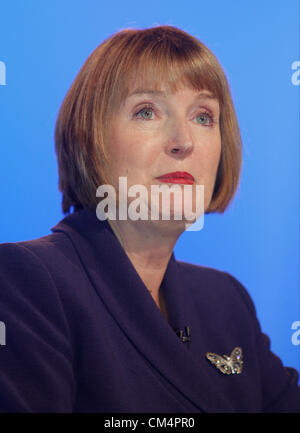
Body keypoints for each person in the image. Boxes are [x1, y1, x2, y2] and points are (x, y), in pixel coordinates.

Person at [0, 25, 299, 413]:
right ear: (89, 138)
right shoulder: (24, 281)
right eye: (146, 111)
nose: (183, 139)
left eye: (203, 116)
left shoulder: (227, 301)